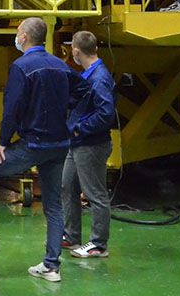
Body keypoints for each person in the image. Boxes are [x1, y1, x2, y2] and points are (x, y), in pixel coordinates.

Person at [0, 17, 74, 284]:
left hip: (34, 144)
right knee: (54, 206)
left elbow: (12, 108)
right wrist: (70, 123)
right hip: (59, 144)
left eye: (18, 32)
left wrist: (3, 143)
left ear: (24, 36)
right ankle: (51, 267)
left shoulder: (21, 67)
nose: (16, 36)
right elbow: (83, 92)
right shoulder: (61, 66)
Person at [63, 30, 116, 259]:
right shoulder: (88, 74)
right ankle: (71, 235)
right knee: (67, 186)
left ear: (76, 51)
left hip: (91, 144)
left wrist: (80, 128)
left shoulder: (99, 78)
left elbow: (106, 114)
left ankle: (98, 245)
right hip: (77, 143)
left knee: (95, 193)